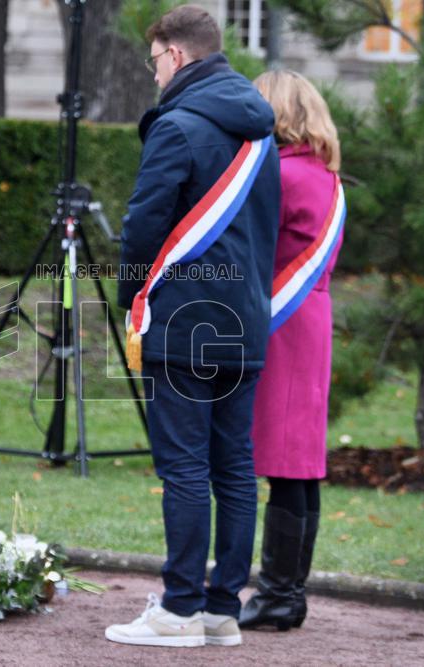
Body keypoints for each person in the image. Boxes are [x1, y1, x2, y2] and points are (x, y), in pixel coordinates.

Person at [105, 5, 280, 648]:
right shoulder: (261, 132)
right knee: (234, 468)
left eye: (154, 62)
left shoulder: (176, 126)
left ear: (175, 55)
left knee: (183, 467)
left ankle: (178, 611)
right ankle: (219, 609)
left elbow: (142, 227)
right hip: (245, 319)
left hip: (184, 318)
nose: (153, 76)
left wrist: (132, 303)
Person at [238, 70, 345, 631]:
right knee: (298, 465)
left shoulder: (280, 175)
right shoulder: (323, 174)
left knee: (285, 461)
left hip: (282, 320)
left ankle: (278, 594)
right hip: (310, 320)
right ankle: (288, 592)